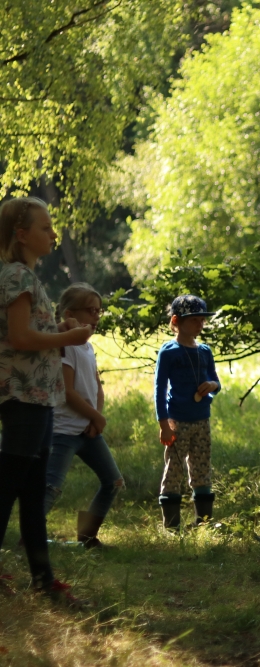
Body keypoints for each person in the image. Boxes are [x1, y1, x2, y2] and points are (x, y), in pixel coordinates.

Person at [0, 197, 93, 604]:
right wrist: (67, 338)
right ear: (22, 235)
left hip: (37, 397)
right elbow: (20, 340)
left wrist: (56, 327)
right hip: (22, 396)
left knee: (33, 494)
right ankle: (41, 580)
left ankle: (43, 581)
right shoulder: (16, 277)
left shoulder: (25, 277)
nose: (53, 234)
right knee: (7, 488)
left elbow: (23, 334)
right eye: (44, 227)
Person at [44, 283, 124, 548]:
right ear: (69, 315)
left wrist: (95, 418)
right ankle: (29, 540)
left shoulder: (87, 348)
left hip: (87, 430)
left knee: (112, 481)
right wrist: (97, 418)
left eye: (99, 311)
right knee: (51, 488)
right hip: (64, 430)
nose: (97, 317)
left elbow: (96, 387)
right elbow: (67, 392)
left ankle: (87, 537)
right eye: (91, 311)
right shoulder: (65, 347)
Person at [154, 295, 221, 530]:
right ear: (176, 321)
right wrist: (164, 424)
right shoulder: (169, 352)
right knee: (174, 469)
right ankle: (171, 527)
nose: (200, 325)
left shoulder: (205, 351)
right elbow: (160, 389)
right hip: (177, 422)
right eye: (194, 320)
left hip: (202, 420)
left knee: (202, 469)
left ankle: (203, 523)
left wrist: (212, 387)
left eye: (202, 320)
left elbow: (216, 382)